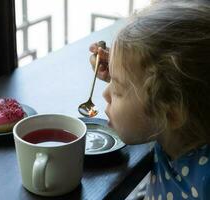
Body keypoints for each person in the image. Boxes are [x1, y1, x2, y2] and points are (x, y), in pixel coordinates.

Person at [89, 1, 210, 199]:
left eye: (117, 90)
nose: (105, 94)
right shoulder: (176, 131)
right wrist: (120, 70)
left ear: (171, 112)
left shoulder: (204, 183)